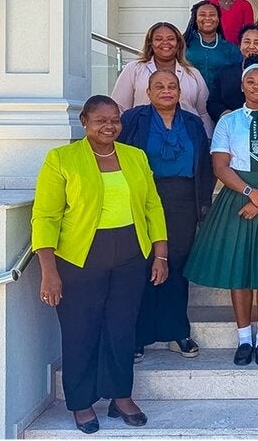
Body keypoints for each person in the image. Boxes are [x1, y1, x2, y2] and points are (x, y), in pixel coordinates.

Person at [32, 95, 168, 434]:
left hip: (130, 256)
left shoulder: (135, 157)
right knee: (81, 332)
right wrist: (48, 271)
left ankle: (120, 395)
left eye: (115, 120)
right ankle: (80, 402)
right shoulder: (62, 159)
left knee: (122, 329)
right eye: (100, 121)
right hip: (79, 258)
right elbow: (46, 216)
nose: (109, 126)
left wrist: (160, 253)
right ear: (85, 122)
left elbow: (152, 206)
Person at [184, 64, 258, 367]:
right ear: (242, 87)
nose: (256, 86)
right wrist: (253, 194)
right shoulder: (228, 122)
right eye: (250, 81)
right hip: (238, 195)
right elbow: (221, 166)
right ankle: (243, 338)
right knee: (239, 270)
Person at [118, 69, 215, 363]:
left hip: (183, 200)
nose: (166, 90)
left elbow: (205, 163)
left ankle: (177, 331)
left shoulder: (193, 123)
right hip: (144, 197)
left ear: (180, 91)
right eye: (158, 86)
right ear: (148, 92)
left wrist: (204, 202)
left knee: (176, 263)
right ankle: (138, 334)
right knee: (143, 261)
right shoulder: (134, 119)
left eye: (172, 86)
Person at [111, 22, 213, 137]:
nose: (165, 42)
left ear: (178, 43)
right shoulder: (133, 69)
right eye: (158, 39)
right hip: (142, 136)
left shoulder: (193, 73)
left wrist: (207, 139)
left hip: (187, 137)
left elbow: (204, 113)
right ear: (150, 44)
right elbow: (120, 108)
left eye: (171, 39)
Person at [207, 24, 258, 120]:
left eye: (257, 43)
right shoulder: (224, 73)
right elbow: (213, 102)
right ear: (239, 46)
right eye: (247, 42)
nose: (251, 46)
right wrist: (227, 116)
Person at [183, 0, 241, 95]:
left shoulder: (231, 49)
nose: (207, 18)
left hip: (221, 104)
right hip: (189, 102)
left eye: (212, 14)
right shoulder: (184, 45)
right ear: (195, 19)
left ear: (218, 19)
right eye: (202, 14)